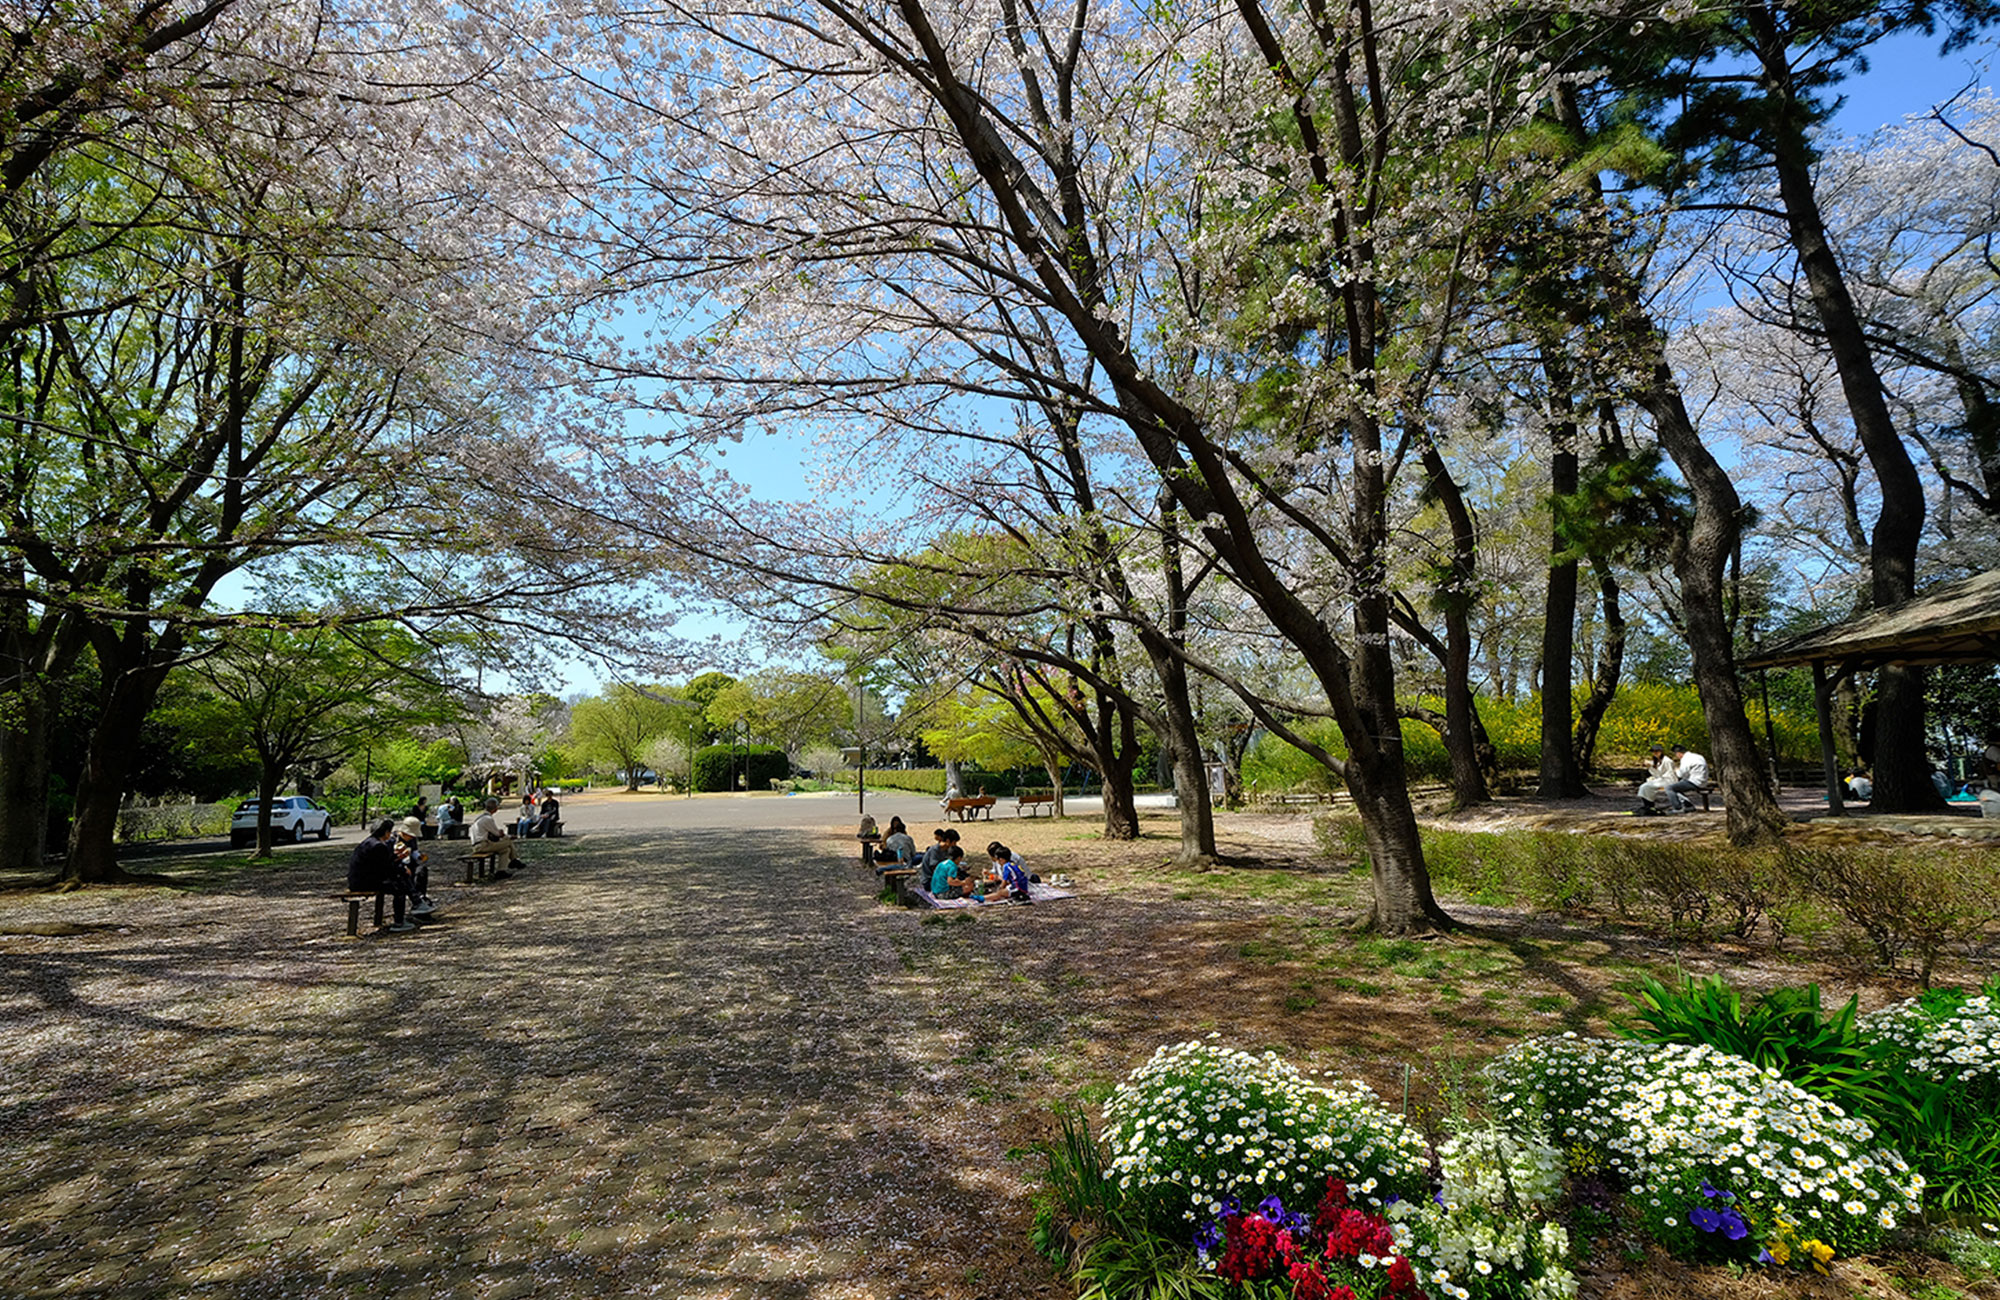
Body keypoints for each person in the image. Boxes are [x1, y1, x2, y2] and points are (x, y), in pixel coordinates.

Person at [346, 818, 416, 931]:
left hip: (358, 880)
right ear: (386, 832)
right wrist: (402, 870)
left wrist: (398, 857)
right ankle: (399, 922)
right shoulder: (379, 846)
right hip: (364, 883)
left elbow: (384, 862)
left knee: (399, 881)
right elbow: (386, 868)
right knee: (400, 888)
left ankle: (405, 913)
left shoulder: (369, 842)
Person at [395, 816, 437, 914]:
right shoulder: (395, 839)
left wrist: (419, 856)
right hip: (399, 865)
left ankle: (421, 896)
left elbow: (414, 851)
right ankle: (416, 900)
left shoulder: (412, 839)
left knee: (422, 870)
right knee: (404, 876)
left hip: (410, 862)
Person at [472, 797, 519, 874]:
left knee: (506, 850)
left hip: (477, 845)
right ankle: (514, 860)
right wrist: (509, 836)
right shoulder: (488, 819)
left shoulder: (479, 818)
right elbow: (497, 834)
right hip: (483, 845)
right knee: (508, 841)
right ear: (495, 808)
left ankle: (501, 871)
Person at [1634, 745, 1676, 814]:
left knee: (1646, 786)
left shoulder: (1667, 761)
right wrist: (1650, 767)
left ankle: (1649, 805)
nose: (1655, 753)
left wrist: (1652, 768)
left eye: (1657, 751)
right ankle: (1648, 805)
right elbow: (1656, 773)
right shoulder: (1657, 761)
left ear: (1661, 752)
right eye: (1653, 752)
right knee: (1644, 787)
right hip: (1661, 779)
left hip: (1668, 780)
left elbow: (1669, 774)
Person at [1667, 744, 1710, 812]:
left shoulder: (1685, 759)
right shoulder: (1698, 756)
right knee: (1677, 786)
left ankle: (1677, 808)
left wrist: (1676, 770)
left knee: (1669, 788)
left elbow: (1680, 774)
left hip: (1695, 782)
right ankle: (1688, 806)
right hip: (1703, 781)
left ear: (1679, 754)